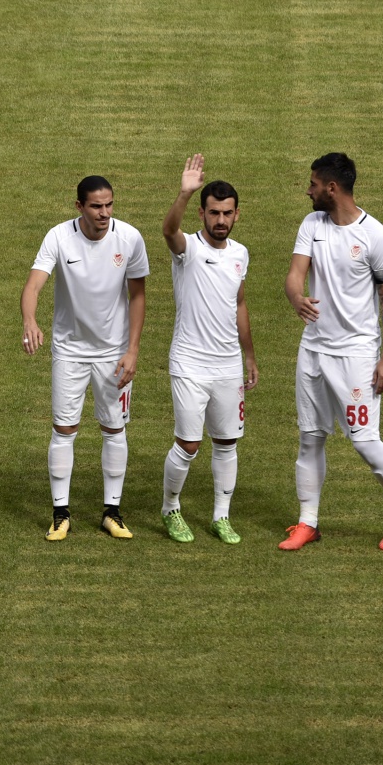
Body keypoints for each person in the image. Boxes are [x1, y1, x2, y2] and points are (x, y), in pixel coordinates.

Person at [281, 152, 383, 551]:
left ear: (332, 188)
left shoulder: (376, 237)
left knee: (363, 440)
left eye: (312, 184)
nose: (307, 190)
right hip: (313, 348)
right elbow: (296, 273)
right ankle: (308, 522)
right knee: (310, 437)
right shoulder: (312, 223)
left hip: (356, 354)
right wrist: (296, 298)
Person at [20, 175, 149, 540]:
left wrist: (133, 349)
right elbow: (33, 285)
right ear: (79, 206)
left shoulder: (130, 239)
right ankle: (60, 514)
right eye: (96, 206)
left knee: (114, 429)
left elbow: (137, 296)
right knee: (64, 429)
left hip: (114, 354)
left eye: (109, 205)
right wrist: (30, 320)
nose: (105, 212)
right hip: (70, 351)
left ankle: (113, 512)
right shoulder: (59, 237)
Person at [158, 154, 257, 545]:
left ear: (236, 215)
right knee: (189, 444)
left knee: (227, 442)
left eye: (227, 213)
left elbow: (239, 303)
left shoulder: (240, 254)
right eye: (213, 213)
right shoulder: (188, 249)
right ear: (202, 213)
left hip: (228, 364)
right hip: (189, 364)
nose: (220, 220)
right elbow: (168, 231)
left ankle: (220, 516)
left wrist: (249, 356)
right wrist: (183, 194)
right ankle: (171, 508)